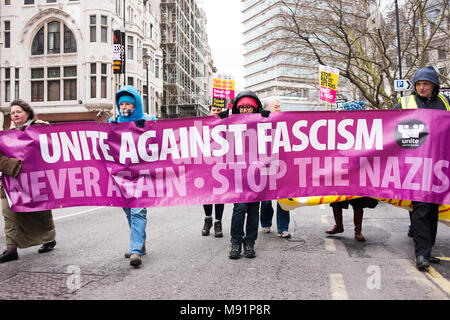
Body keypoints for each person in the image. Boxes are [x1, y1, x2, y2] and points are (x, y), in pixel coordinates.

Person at [395, 66, 450, 271]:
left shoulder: (445, 102)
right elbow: (388, 127)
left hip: (438, 164)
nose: (421, 87)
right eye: (418, 84)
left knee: (433, 209)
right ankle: (421, 253)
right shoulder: (404, 102)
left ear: (434, 85)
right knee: (421, 209)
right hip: (415, 165)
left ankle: (427, 250)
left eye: (425, 84)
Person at [0, 99, 56, 263]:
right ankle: (11, 249)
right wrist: (13, 165)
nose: (15, 115)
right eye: (12, 113)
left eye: (18, 112)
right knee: (9, 212)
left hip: (36, 179)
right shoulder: (6, 135)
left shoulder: (42, 128)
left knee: (41, 211)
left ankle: (48, 238)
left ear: (28, 113)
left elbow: (52, 149)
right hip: (12, 180)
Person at [109, 85, 156, 267]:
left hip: (142, 175)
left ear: (136, 105)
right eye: (122, 104)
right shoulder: (113, 122)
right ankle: (140, 243)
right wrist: (110, 128)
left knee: (138, 211)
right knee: (129, 211)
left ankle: (135, 250)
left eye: (129, 103)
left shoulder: (149, 120)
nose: (125, 107)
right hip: (122, 176)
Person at [219, 90, 269, 259]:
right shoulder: (229, 122)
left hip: (257, 173)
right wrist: (221, 118)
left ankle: (249, 243)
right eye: (242, 107)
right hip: (238, 173)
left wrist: (268, 118)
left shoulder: (263, 122)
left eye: (249, 107)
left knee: (254, 210)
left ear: (255, 108)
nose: (245, 110)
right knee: (239, 208)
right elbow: (215, 134)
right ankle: (236, 242)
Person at [325, 101, 378, 242]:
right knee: (336, 199)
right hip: (341, 170)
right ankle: (339, 225)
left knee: (358, 202)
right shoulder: (338, 129)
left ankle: (358, 231)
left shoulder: (367, 129)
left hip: (359, 170)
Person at [259, 98, 291, 238]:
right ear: (267, 109)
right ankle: (266, 224)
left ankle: (283, 228)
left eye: (279, 107)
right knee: (266, 199)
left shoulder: (285, 123)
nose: (279, 109)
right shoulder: (260, 124)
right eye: (276, 107)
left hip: (282, 165)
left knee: (283, 198)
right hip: (266, 167)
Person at [201, 105, 225, 237]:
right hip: (205, 165)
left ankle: (218, 222)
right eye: (214, 110)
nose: (216, 113)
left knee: (219, 196)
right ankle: (208, 219)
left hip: (221, 165)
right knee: (207, 194)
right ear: (209, 112)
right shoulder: (203, 126)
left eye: (218, 111)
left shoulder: (226, 126)